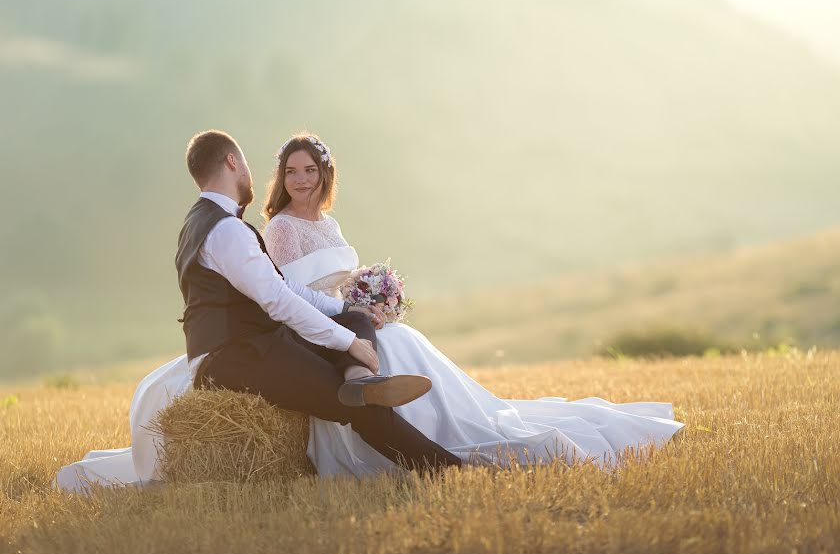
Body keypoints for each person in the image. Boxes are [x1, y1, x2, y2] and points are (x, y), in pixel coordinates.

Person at [54, 130, 460, 493]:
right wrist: (347, 341)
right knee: (353, 406)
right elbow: (278, 301)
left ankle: (361, 378)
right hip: (237, 357)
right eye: (247, 163)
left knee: (349, 320)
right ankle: (448, 469)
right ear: (233, 162)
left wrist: (344, 312)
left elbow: (287, 288)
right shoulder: (227, 230)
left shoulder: (202, 221)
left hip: (254, 347)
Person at [261, 133, 685, 477]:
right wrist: (347, 316)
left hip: (352, 318)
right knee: (395, 348)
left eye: (309, 170)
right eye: (291, 171)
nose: (300, 180)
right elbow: (290, 293)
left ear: (324, 174)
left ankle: (457, 423)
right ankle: (411, 428)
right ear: (281, 178)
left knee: (406, 339)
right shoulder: (281, 228)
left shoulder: (329, 223)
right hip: (320, 327)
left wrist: (369, 296)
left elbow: (336, 279)